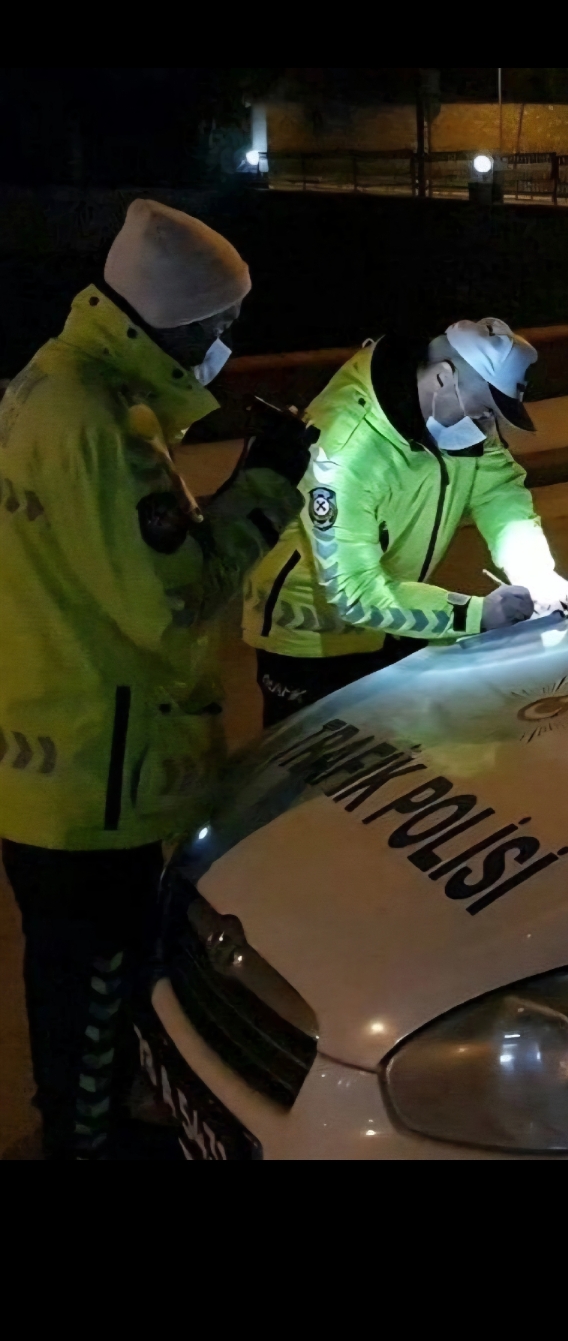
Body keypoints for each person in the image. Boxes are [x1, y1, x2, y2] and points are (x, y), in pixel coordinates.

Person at [0, 199, 313, 1160]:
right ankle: (85, 1143)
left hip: (53, 756)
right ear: (174, 318)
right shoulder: (106, 424)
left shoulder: (48, 385)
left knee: (71, 983)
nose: (226, 345)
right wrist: (268, 485)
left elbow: (123, 564)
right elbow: (176, 603)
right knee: (95, 993)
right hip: (102, 773)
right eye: (220, 324)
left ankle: (83, 1122)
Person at [245, 318, 568, 728]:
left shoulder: (460, 417)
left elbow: (497, 489)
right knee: (313, 762)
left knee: (403, 745)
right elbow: (355, 593)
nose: (488, 429)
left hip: (395, 618)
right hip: (310, 641)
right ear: (442, 378)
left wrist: (534, 570)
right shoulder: (345, 450)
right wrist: (476, 615)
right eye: (485, 410)